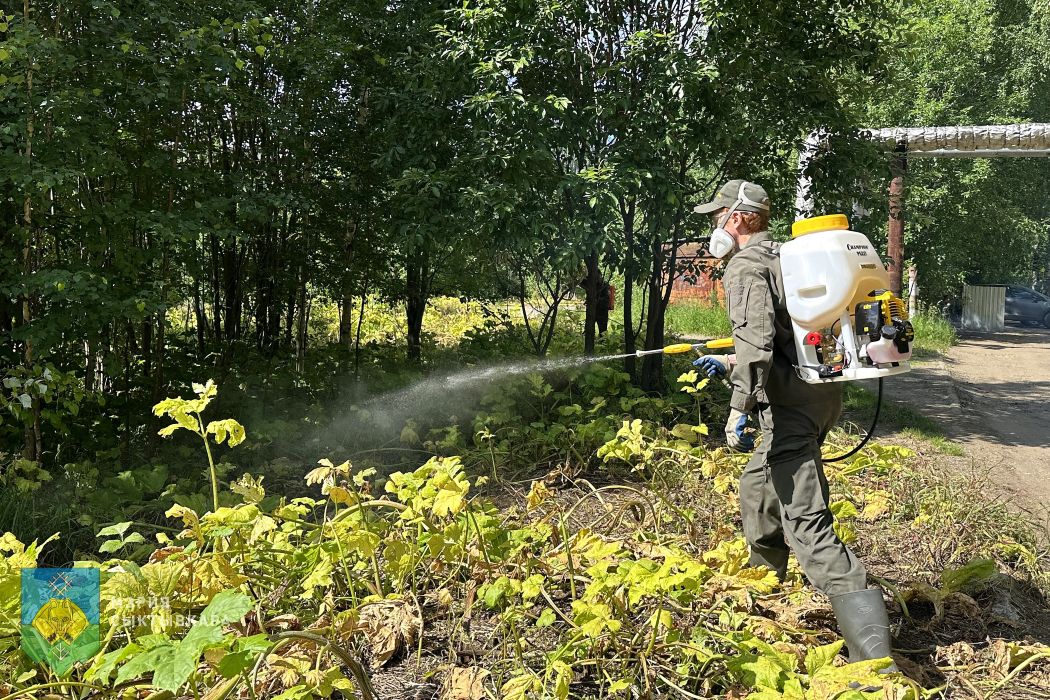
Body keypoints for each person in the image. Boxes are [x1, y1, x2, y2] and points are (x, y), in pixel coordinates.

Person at [691, 179, 898, 672]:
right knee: (757, 492)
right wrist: (730, 363)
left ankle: (876, 662)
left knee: (805, 521)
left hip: (792, 410)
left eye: (715, 216)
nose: (712, 226)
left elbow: (758, 344)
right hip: (821, 396)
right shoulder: (786, 258)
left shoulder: (745, 265)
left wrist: (739, 405)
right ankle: (768, 598)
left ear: (737, 218)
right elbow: (784, 338)